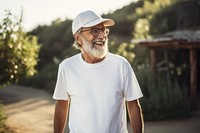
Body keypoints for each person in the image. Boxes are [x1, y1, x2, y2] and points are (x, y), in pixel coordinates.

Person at [53, 10, 144, 133]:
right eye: (95, 31)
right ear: (78, 38)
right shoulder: (67, 67)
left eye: (103, 30)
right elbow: (61, 106)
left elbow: (133, 107)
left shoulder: (121, 65)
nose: (102, 36)